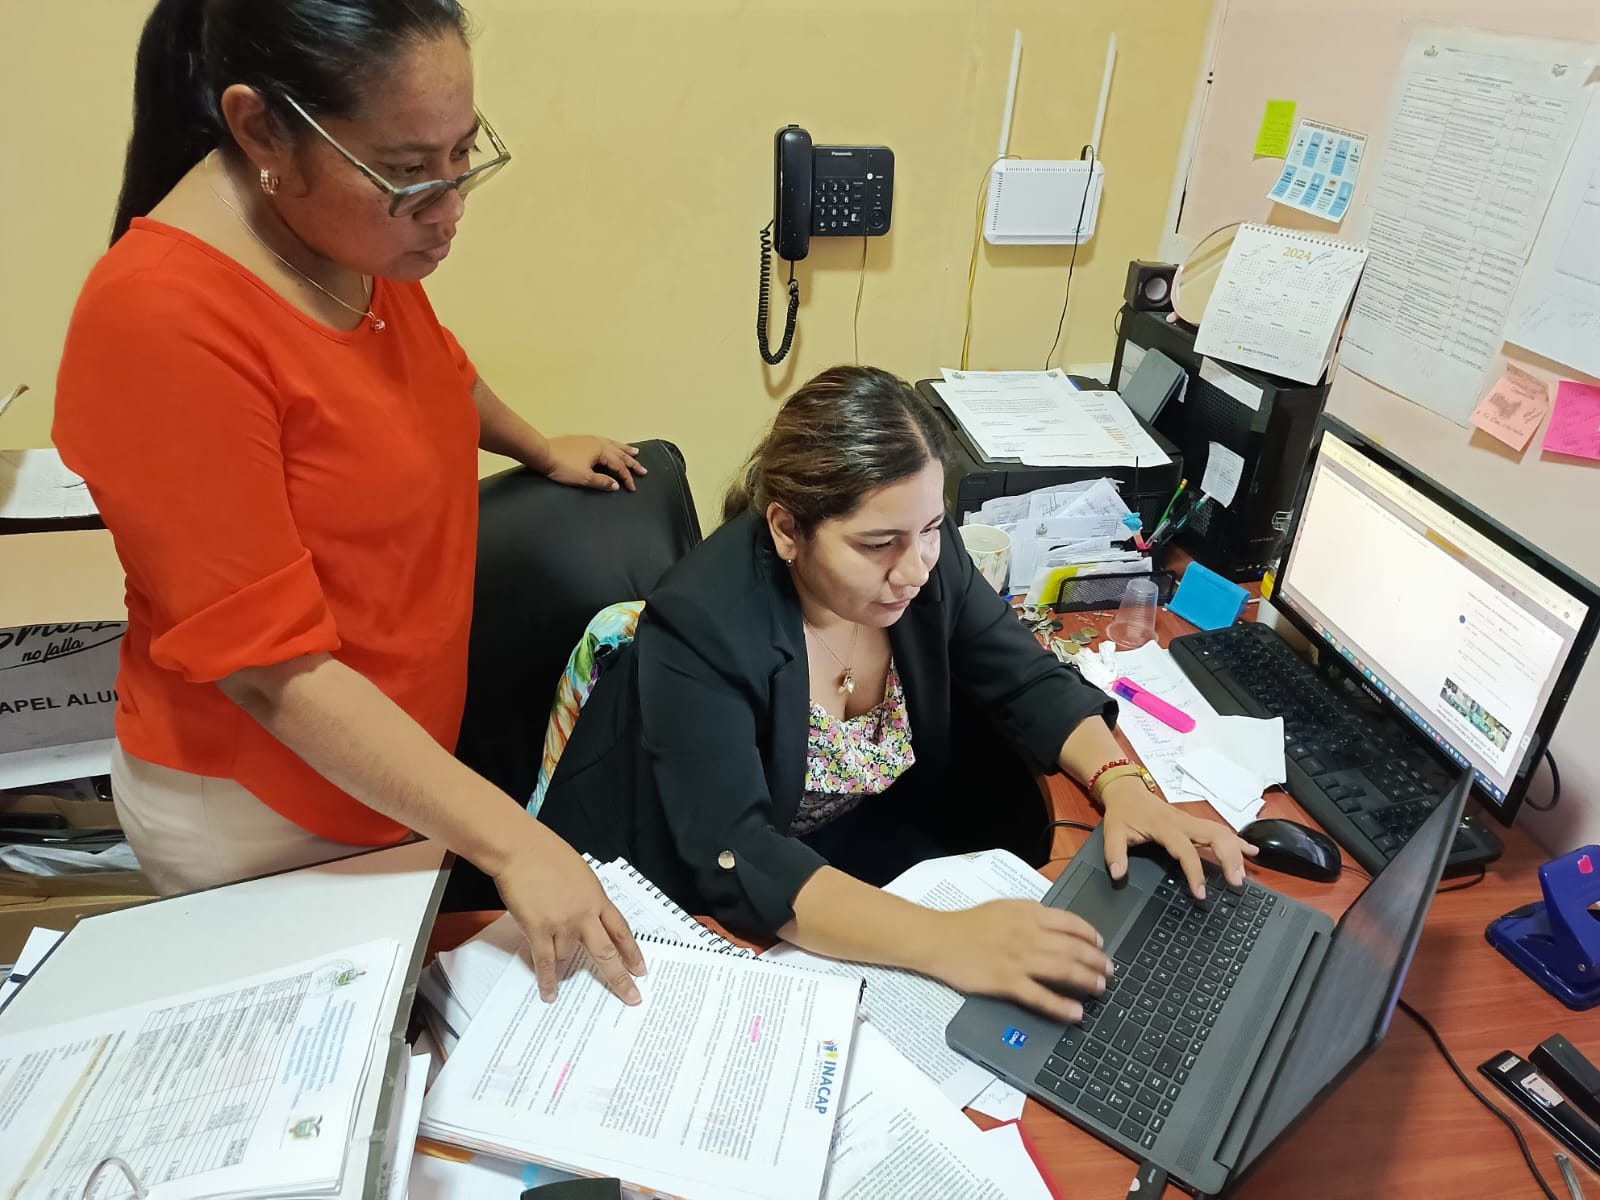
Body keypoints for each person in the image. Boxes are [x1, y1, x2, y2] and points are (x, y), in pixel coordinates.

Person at [52, 0, 646, 1004]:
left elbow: (427, 372)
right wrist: (513, 842)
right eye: (410, 170)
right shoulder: (161, 321)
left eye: (463, 154)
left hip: (393, 764)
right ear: (260, 129)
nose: (448, 207)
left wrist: (536, 444)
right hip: (265, 807)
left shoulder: (344, 228)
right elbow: (270, 669)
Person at [538, 366, 1256, 1021]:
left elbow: (1025, 675)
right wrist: (946, 941)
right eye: (877, 545)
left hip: (840, 839)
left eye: (932, 529)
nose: (914, 569)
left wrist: (1123, 785)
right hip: (675, 887)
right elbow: (738, 856)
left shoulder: (922, 560)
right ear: (788, 529)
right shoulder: (703, 621)